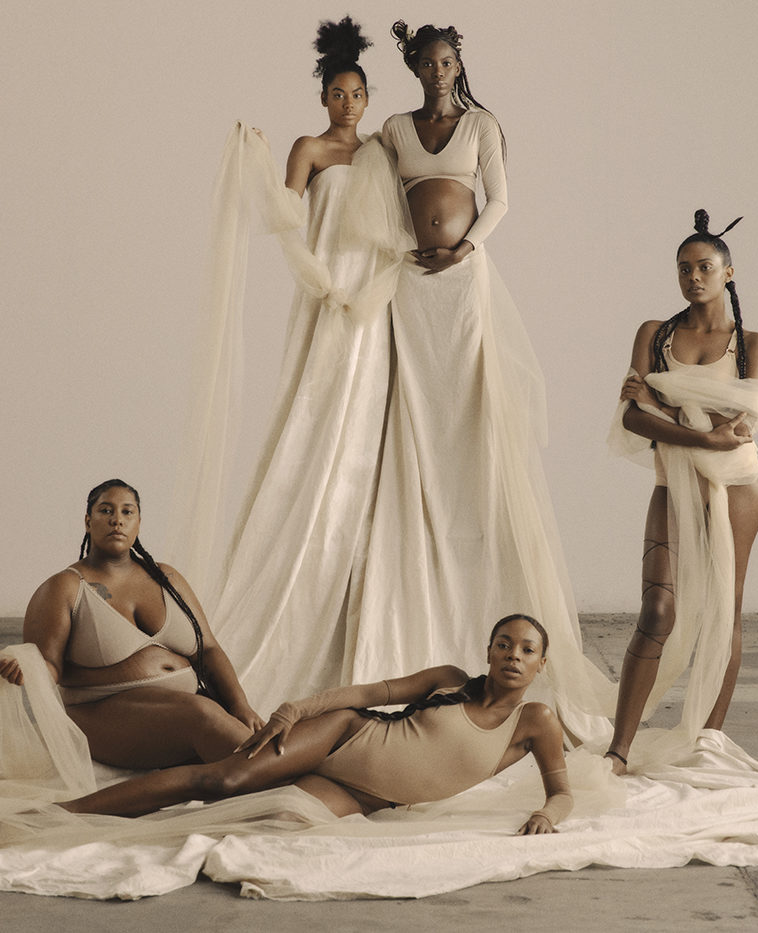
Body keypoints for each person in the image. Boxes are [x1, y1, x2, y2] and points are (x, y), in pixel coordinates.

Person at [344, 21, 615, 748]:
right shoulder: (395, 129)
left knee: (468, 409)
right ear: (413, 66)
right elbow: (367, 188)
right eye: (426, 62)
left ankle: (468, 534)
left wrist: (464, 246)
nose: (437, 70)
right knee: (415, 407)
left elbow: (500, 199)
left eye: (447, 60)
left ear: (458, 63)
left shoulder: (481, 124)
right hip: (410, 277)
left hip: (463, 280)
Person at [171, 17, 411, 712]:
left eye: (357, 94)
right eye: (337, 93)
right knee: (311, 416)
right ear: (323, 97)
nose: (348, 104)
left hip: (373, 302)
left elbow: (398, 228)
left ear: (367, 98)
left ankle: (355, 577)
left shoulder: (381, 153)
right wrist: (258, 158)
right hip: (325, 295)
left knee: (366, 426)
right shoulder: (309, 148)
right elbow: (285, 215)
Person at [60, 614, 573, 836]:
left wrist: (547, 815)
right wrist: (297, 710)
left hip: (365, 796)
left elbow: (562, 793)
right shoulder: (450, 679)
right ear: (489, 651)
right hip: (343, 736)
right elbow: (369, 695)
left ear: (541, 664)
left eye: (527, 649)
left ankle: (128, 802)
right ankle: (65, 814)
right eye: (504, 643)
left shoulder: (534, 721)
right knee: (221, 781)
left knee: (264, 819)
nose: (513, 654)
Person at [605, 210, 758, 774]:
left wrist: (662, 403)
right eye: (683, 268)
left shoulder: (752, 344)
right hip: (671, 484)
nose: (693, 277)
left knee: (725, 615)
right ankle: (619, 750)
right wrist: (699, 430)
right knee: (658, 610)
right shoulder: (655, 334)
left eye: (704, 267)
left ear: (728, 273)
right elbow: (632, 419)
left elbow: (741, 428)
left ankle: (708, 744)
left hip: (737, 487)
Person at [0, 479, 262, 770]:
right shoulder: (64, 588)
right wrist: (27, 668)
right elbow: (49, 664)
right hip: (102, 715)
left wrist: (240, 705)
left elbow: (208, 649)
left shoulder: (167, 578)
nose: (117, 520)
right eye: (106, 510)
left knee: (263, 743)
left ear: (138, 523)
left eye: (127, 512)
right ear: (88, 521)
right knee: (207, 717)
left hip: (185, 706)